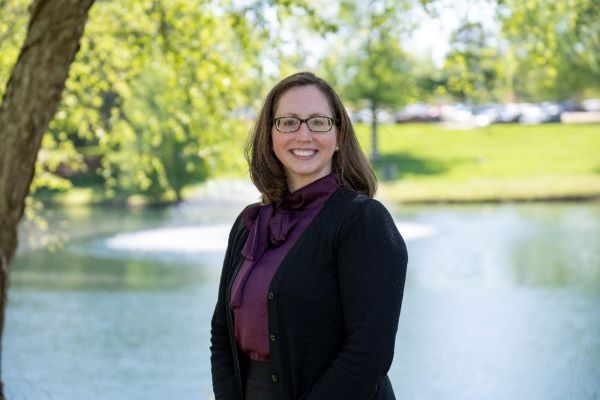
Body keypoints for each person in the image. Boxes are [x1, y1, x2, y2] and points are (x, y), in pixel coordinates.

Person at [210, 71, 408, 400]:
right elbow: (221, 334)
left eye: (318, 122)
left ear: (339, 134)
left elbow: (368, 353)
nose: (304, 135)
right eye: (288, 122)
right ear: (270, 135)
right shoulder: (249, 224)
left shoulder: (363, 222)